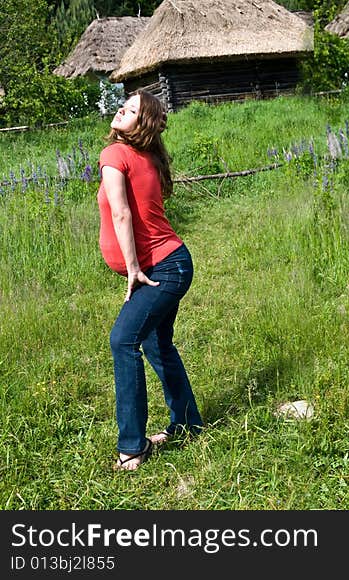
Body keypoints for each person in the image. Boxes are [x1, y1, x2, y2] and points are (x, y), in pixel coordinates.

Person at [98, 89, 203, 471]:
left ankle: (132, 446)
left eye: (132, 109)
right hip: (175, 264)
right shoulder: (145, 156)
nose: (121, 109)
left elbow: (123, 215)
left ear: (142, 124)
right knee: (159, 346)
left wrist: (133, 269)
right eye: (123, 105)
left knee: (123, 340)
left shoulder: (115, 154)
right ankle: (188, 424)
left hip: (161, 268)